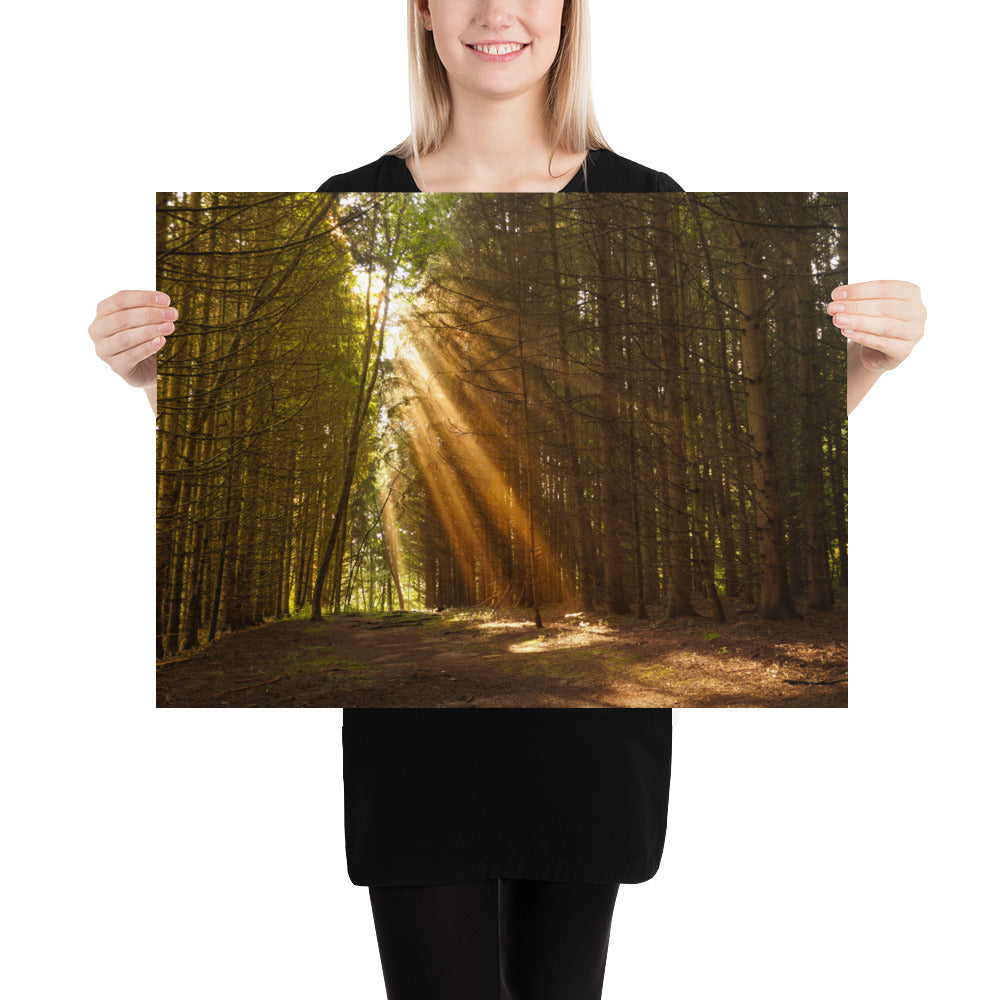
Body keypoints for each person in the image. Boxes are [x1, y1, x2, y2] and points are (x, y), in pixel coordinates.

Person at [89, 2, 925, 997]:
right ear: (425, 15)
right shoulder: (340, 206)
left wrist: (863, 369)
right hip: (417, 745)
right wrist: (153, 380)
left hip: (592, 735)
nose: (498, 12)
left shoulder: (644, 197)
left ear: (569, 16)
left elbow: (726, 457)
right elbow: (283, 452)